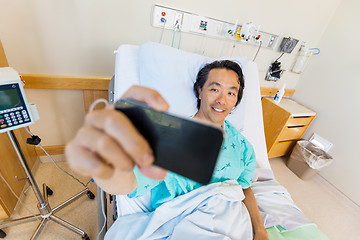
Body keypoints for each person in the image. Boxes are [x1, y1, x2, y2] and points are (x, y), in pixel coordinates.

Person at [65, 60, 268, 240]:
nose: (222, 100)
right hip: (181, 222)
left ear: (236, 100)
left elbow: (243, 187)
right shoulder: (169, 138)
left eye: (231, 92)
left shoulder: (243, 146)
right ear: (199, 91)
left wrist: (260, 230)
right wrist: (105, 167)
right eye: (214, 89)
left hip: (231, 221)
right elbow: (129, 182)